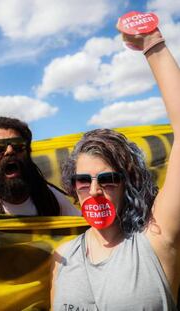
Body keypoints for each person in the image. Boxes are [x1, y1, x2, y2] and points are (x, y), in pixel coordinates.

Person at [51, 28, 179, 309]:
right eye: (83, 181)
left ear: (126, 183)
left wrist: (151, 43)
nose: (94, 191)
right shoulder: (62, 257)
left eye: (107, 179)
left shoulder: (155, 241)